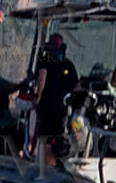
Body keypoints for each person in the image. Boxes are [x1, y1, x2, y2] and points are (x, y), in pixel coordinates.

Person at [27, 33, 79, 164]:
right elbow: (77, 86)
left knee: (47, 139)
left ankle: (48, 166)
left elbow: (42, 78)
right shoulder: (69, 64)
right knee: (59, 137)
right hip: (63, 109)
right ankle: (57, 163)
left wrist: (38, 97)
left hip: (47, 107)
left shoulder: (45, 61)